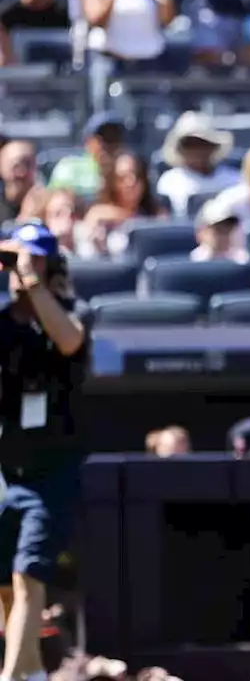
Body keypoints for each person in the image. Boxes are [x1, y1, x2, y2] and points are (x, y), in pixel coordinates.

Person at [0, 222, 91, 681]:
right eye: (19, 259)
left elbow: (70, 340)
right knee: (6, 589)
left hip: (52, 471)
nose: (22, 267)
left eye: (35, 257)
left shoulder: (73, 310)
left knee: (28, 576)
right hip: (6, 471)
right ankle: (32, 674)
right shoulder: (2, 322)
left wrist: (33, 280)